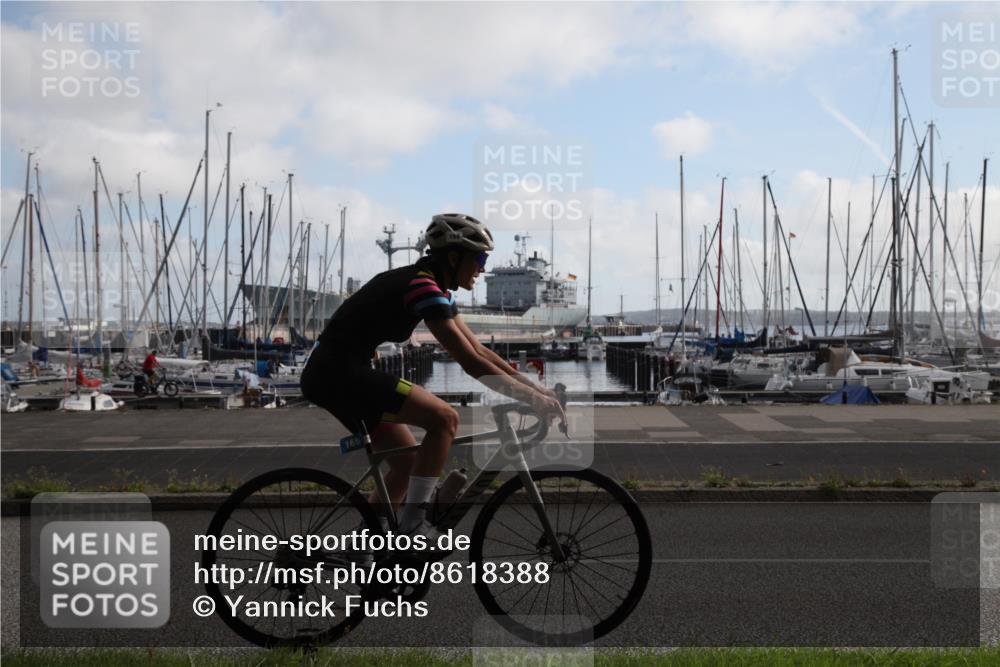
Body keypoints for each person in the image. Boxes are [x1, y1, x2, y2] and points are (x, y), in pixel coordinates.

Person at [300, 213, 565, 540]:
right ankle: (414, 524)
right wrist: (532, 399)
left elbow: (480, 351)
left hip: (337, 373)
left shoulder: (434, 287)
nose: (482, 269)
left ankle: (363, 546)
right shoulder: (421, 286)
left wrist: (537, 390)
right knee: (444, 418)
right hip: (338, 374)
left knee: (409, 465)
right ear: (453, 258)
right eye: (480, 259)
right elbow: (470, 363)